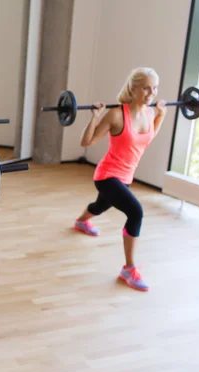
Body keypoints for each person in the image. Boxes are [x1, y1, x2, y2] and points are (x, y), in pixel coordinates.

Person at [73, 67, 167, 292]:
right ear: (133, 89)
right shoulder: (116, 114)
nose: (151, 93)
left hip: (125, 177)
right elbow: (86, 142)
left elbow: (150, 136)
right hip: (107, 175)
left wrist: (161, 114)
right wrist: (95, 118)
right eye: (146, 88)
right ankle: (129, 268)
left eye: (154, 88)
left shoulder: (150, 113)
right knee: (136, 212)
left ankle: (81, 221)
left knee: (101, 206)